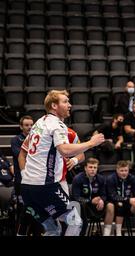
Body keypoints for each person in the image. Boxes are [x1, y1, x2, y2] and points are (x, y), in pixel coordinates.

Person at [19, 90, 104, 236]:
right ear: (54, 105)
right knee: (76, 222)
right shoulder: (57, 125)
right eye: (65, 102)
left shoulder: (39, 123)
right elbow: (64, 150)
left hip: (27, 187)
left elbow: (27, 151)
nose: (69, 105)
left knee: (54, 229)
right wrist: (91, 143)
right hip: (45, 186)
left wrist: (75, 159)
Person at [104, 160, 135, 236]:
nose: (124, 173)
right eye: (122, 171)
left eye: (126, 170)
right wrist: (128, 200)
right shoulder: (111, 179)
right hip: (115, 203)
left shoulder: (132, 178)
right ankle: (117, 233)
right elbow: (112, 196)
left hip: (129, 203)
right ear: (117, 170)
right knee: (120, 204)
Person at [10, 115, 37, 236]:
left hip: (35, 180)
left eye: (31, 125)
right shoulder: (16, 140)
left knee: (36, 209)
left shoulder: (37, 139)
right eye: (26, 125)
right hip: (21, 180)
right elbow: (22, 155)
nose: (29, 127)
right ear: (21, 127)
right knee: (23, 210)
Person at [71, 158, 106, 236]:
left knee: (110, 205)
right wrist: (90, 201)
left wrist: (102, 200)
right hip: (81, 206)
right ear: (85, 168)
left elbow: (104, 195)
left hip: (96, 206)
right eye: (90, 167)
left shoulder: (101, 179)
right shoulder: (78, 179)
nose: (93, 170)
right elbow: (76, 197)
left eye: (95, 167)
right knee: (79, 205)